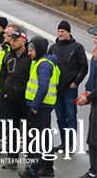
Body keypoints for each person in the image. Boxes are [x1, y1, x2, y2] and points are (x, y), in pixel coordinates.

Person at [19, 36, 59, 178]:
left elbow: (43, 87)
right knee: (46, 138)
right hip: (45, 106)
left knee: (37, 139)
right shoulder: (47, 62)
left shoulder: (43, 64)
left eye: (30, 50)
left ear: (38, 50)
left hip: (40, 107)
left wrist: (35, 105)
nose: (28, 53)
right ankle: (47, 168)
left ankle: (33, 170)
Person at [47, 19, 88, 151]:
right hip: (56, 88)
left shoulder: (77, 47)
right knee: (60, 117)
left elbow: (84, 67)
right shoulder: (53, 48)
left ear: (68, 32)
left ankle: (70, 144)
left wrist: (75, 82)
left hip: (70, 89)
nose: (60, 34)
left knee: (71, 116)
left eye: (62, 31)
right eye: (58, 31)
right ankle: (63, 143)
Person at [0, 26, 31, 169]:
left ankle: (31, 160)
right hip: (11, 99)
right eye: (11, 40)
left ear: (23, 41)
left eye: (15, 41)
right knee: (12, 130)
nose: (12, 43)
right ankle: (12, 158)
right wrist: (4, 91)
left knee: (30, 131)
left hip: (26, 100)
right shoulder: (8, 56)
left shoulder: (30, 57)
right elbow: (2, 74)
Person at [74, 26, 97, 178]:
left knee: (94, 139)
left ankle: (94, 172)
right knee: (92, 139)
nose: (94, 43)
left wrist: (88, 98)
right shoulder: (94, 58)